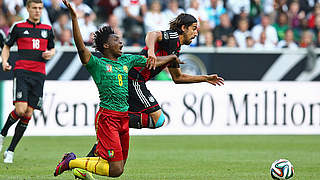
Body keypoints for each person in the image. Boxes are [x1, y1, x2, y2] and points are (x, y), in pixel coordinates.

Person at [73, 13, 224, 180]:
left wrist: (205, 78)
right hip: (134, 79)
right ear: (184, 28)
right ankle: (110, 125)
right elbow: (152, 34)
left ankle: (102, 140)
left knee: (156, 122)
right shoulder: (173, 36)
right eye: (194, 29)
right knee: (158, 119)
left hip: (136, 81)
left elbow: (178, 78)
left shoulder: (175, 49)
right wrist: (151, 52)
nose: (196, 33)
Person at [54, 0, 183, 178]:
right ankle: (71, 162)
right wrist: (75, 19)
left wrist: (171, 58)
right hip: (108, 118)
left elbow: (151, 62)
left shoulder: (127, 60)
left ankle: (74, 163)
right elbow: (81, 48)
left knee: (118, 167)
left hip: (124, 118)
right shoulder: (97, 64)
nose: (121, 43)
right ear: (106, 46)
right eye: (116, 40)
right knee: (115, 170)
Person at [0, 0, 55, 163]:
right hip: (22, 72)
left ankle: (10, 150)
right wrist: (4, 61)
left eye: (40, 8)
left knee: (29, 113)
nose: (37, 11)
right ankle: (3, 133)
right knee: (21, 109)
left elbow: (52, 48)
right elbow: (7, 46)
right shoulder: (18, 27)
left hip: (39, 75)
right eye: (34, 8)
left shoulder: (48, 29)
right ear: (28, 9)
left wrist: (50, 53)